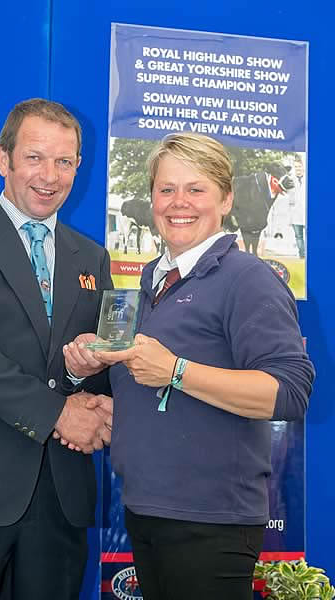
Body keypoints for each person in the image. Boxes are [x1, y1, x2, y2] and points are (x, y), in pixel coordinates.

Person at [64, 133, 315, 600]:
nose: (179, 202)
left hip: (211, 520)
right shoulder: (152, 280)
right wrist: (90, 374)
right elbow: (152, 387)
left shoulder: (249, 279)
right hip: (146, 510)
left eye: (195, 189)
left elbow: (289, 392)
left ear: (226, 199)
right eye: (166, 189)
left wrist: (176, 370)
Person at [0, 98, 113, 600]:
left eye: (64, 161)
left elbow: (94, 369)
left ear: (78, 166)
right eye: (34, 157)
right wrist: (58, 413)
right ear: (3, 159)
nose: (49, 176)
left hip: (61, 499)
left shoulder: (92, 257)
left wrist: (85, 376)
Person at [289, 154, 306, 259]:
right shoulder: (291, 180)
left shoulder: (309, 178)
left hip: (307, 212)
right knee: (298, 237)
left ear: (303, 167)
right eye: (296, 167)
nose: (298, 169)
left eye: (299, 166)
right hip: (295, 213)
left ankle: (310, 256)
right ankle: (302, 256)